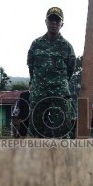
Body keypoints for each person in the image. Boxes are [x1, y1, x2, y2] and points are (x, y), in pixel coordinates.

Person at [27, 7, 77, 138]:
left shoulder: (67, 47)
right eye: (51, 20)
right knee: (35, 127)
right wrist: (35, 83)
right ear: (46, 22)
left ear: (62, 24)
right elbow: (31, 66)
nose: (54, 23)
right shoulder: (36, 44)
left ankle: (64, 156)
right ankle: (34, 156)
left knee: (63, 126)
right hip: (39, 91)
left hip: (59, 91)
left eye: (57, 20)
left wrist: (60, 83)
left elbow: (70, 70)